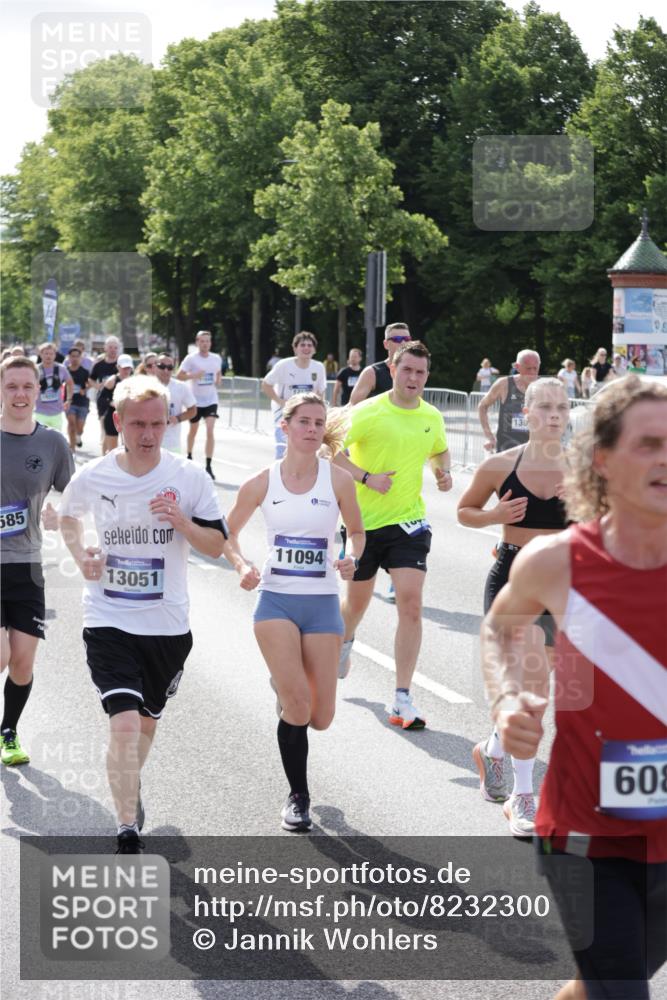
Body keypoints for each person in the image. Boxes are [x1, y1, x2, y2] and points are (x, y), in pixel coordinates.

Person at [481, 375, 667, 1000]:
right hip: (589, 835)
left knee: (612, 982)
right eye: (649, 444)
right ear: (605, 460)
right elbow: (502, 629)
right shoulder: (557, 562)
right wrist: (508, 699)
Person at [59, 375, 228, 853]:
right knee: (126, 723)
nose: (149, 434)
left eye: (158, 423)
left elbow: (217, 546)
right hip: (108, 617)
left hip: (168, 625)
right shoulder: (95, 475)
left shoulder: (189, 477)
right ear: (118, 422)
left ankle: (128, 784)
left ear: (170, 421)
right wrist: (81, 556)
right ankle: (127, 826)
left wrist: (182, 523)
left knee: (146, 723)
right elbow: (69, 516)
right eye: (138, 424)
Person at [224, 393, 364, 832]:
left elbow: (357, 531)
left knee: (322, 719)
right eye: (303, 421)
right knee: (299, 708)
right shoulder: (261, 482)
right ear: (284, 427)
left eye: (318, 422)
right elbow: (227, 535)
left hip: (322, 603)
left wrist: (350, 556)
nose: (311, 429)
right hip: (277, 602)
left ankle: (286, 688)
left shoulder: (338, 480)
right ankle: (299, 796)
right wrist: (243, 565)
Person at [458, 378, 570, 836]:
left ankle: (494, 749)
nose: (555, 415)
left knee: (540, 693)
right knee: (531, 692)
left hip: (565, 585)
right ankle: (523, 799)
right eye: (545, 407)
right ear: (527, 412)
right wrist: (494, 517)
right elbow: (465, 511)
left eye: (562, 407)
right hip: (513, 580)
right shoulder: (500, 465)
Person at [334, 341, 452, 728]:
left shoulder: (432, 415)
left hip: (409, 524)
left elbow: (439, 449)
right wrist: (367, 478)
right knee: (356, 606)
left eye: (420, 372)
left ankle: (402, 697)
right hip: (363, 526)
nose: (414, 378)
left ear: (427, 376)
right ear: (393, 369)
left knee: (412, 604)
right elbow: (330, 449)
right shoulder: (368, 411)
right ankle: (345, 640)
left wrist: (442, 470)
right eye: (407, 371)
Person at [0, 356, 74, 766]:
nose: (20, 394)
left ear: (38, 390)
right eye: (12, 386)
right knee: (1, 655)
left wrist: (58, 513)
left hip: (28, 564)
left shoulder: (52, 443)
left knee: (23, 662)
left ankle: (8, 731)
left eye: (27, 386)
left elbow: (73, 494)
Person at [262, 332, 326, 460]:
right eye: (302, 345)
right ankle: (278, 474)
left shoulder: (318, 367)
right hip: (284, 411)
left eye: (309, 345)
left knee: (307, 446)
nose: (306, 348)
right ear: (295, 348)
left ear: (314, 349)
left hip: (307, 413)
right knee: (283, 447)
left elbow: (320, 392)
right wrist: (280, 402)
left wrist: (320, 411)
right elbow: (266, 384)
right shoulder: (284, 365)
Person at [177, 330, 222, 479]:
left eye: (207, 341)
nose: (205, 344)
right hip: (195, 400)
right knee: (194, 430)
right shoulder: (191, 359)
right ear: (197, 342)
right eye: (202, 341)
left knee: (210, 430)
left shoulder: (216, 358)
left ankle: (208, 465)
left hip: (211, 399)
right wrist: (194, 375)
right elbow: (179, 376)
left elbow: (218, 373)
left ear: (210, 343)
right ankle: (189, 456)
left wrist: (218, 381)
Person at [478, 349, 541, 453]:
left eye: (535, 368)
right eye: (528, 369)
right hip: (506, 452)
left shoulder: (544, 387)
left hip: (534, 453)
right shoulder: (504, 384)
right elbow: (482, 406)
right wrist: (489, 436)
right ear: (517, 367)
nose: (532, 373)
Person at [349, 323, 411, 405]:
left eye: (407, 339)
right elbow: (352, 407)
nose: (403, 343)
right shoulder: (372, 373)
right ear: (386, 344)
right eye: (397, 339)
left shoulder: (415, 372)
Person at [154, 353, 196, 454]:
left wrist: (177, 418)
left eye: (169, 367)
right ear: (155, 366)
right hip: (149, 443)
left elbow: (193, 410)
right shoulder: (144, 386)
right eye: (162, 366)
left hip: (172, 444)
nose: (166, 370)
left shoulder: (181, 387)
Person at [34, 342, 74, 433]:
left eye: (51, 354)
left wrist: (69, 399)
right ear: (41, 354)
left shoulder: (61, 368)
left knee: (55, 440)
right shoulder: (35, 369)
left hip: (56, 412)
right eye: (46, 353)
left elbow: (70, 383)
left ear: (55, 355)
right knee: (40, 438)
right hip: (40, 412)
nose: (49, 356)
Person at [90, 336, 120, 451]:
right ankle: (105, 455)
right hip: (104, 400)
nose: (113, 350)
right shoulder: (99, 365)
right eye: (110, 347)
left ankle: (110, 452)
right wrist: (98, 386)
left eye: (115, 348)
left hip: (118, 400)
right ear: (105, 348)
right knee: (105, 428)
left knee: (116, 429)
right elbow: (91, 379)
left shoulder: (121, 365)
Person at [100, 354, 134, 454]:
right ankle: (104, 460)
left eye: (128, 368)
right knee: (112, 449)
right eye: (124, 368)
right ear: (118, 367)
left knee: (128, 446)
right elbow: (101, 399)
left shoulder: (134, 381)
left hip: (128, 416)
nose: (126, 371)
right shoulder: (112, 381)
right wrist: (112, 403)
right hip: (112, 416)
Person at [65, 345, 91, 451]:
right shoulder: (65, 371)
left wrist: (84, 390)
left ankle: (78, 436)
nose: (74, 358)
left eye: (77, 356)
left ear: (80, 358)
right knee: (71, 424)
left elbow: (90, 383)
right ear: (69, 357)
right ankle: (72, 448)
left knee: (79, 428)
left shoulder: (84, 371)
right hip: (69, 401)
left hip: (82, 402)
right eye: (72, 356)